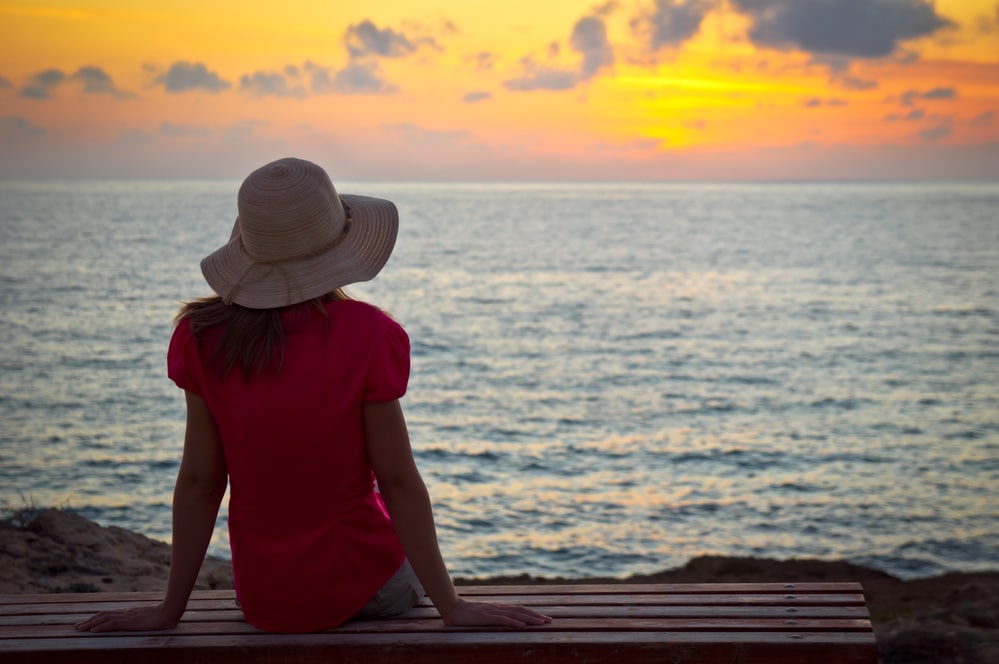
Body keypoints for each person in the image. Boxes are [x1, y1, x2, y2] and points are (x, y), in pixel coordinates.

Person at [75, 157, 550, 634]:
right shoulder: (370, 336)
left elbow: (200, 482)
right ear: (338, 244)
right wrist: (453, 606)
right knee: (391, 560)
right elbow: (398, 480)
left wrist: (168, 611)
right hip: (366, 586)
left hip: (264, 596)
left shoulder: (200, 338)